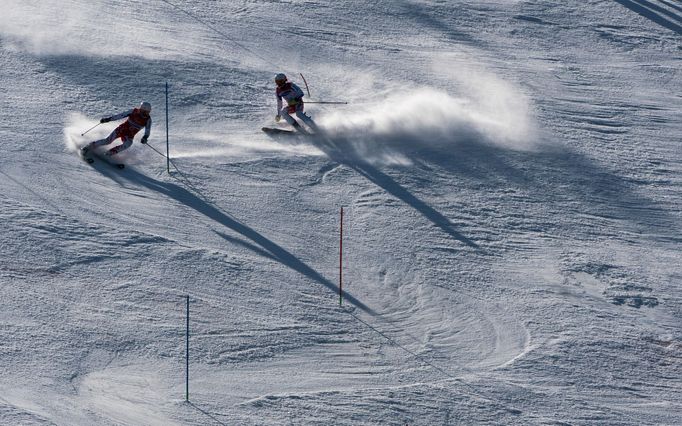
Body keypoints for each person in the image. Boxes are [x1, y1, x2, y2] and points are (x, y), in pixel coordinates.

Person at [81, 101, 152, 157]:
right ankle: (89, 147)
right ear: (142, 110)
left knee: (128, 144)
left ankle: (109, 153)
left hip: (129, 135)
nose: (147, 114)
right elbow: (120, 116)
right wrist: (108, 119)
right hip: (122, 129)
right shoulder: (133, 112)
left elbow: (147, 131)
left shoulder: (148, 120)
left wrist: (145, 137)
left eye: (148, 112)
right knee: (108, 141)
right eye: (145, 112)